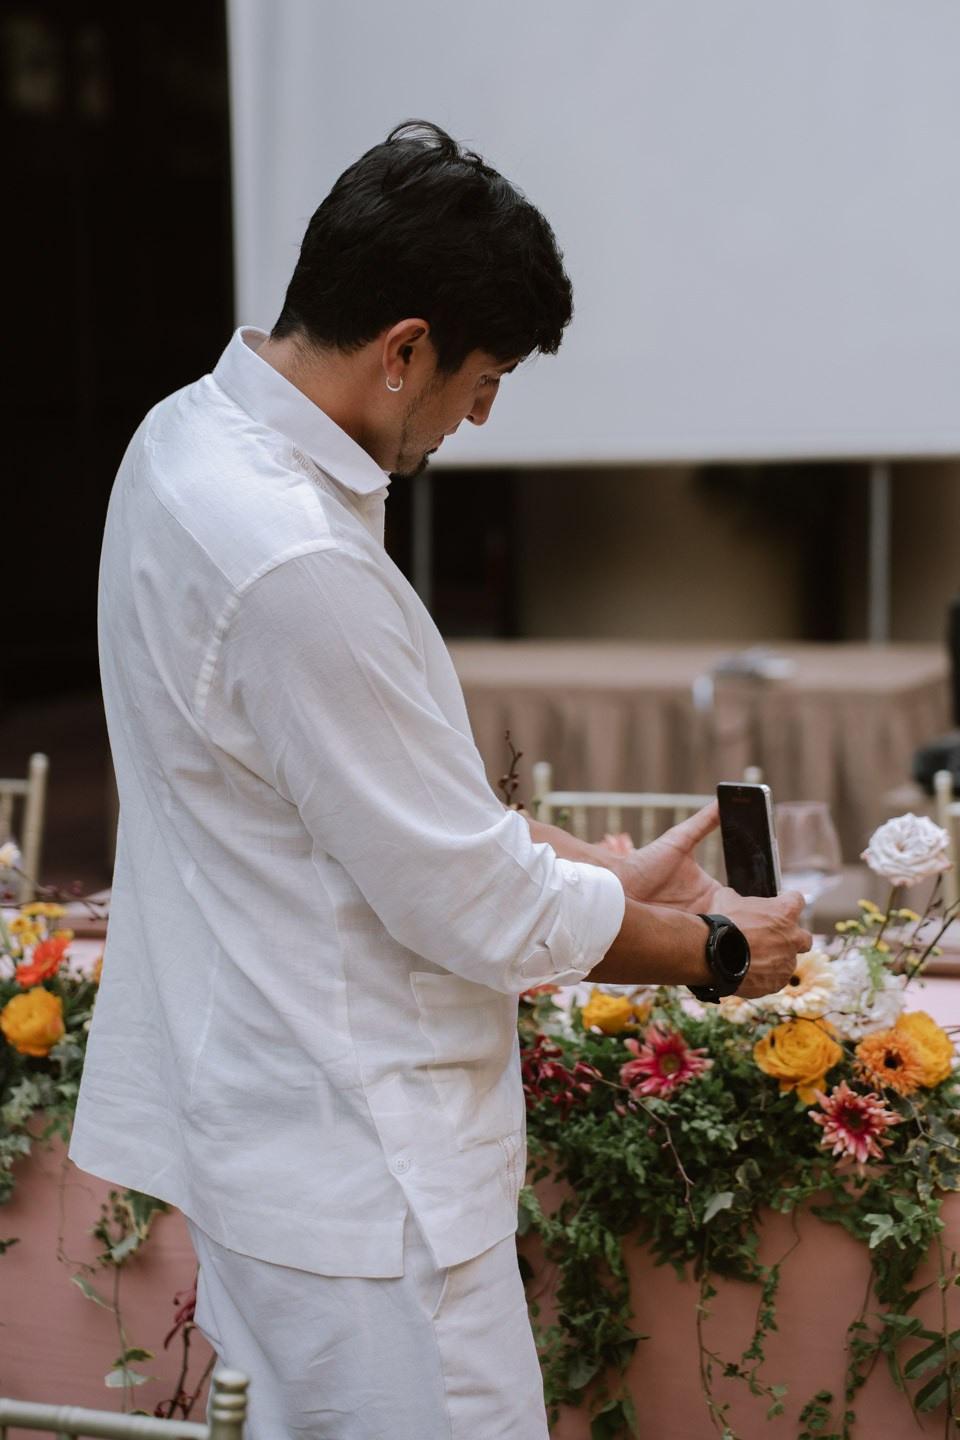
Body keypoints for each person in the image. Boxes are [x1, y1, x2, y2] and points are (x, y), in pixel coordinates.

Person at [70, 120, 809, 1440]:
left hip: (267, 1128)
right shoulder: (293, 559)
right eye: (485, 378)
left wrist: (602, 875)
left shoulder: (178, 440)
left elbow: (352, 814)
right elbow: (467, 901)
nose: (482, 414)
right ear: (404, 347)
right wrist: (710, 949)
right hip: (367, 1178)